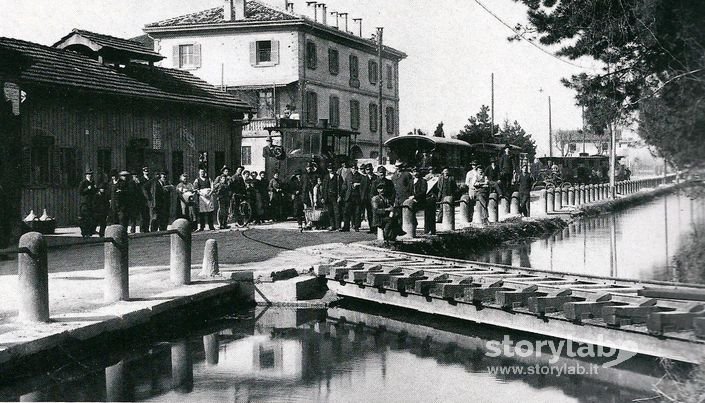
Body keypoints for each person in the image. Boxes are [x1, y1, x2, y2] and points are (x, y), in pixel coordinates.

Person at [410, 166, 433, 234]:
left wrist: (415, 197)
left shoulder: (423, 181)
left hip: (421, 200)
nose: (415, 173)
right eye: (414, 172)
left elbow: (423, 191)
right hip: (412, 200)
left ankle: (427, 229)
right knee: (409, 210)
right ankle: (413, 224)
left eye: (416, 172)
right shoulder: (411, 181)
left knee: (427, 212)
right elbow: (409, 190)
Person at [343, 164, 363, 231]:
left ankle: (356, 226)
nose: (354, 170)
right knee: (346, 212)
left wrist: (358, 184)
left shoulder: (360, 176)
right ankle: (346, 227)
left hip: (357, 197)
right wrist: (344, 191)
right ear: (351, 169)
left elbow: (363, 184)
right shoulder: (348, 175)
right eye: (353, 168)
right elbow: (345, 184)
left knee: (357, 212)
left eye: (355, 168)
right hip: (349, 196)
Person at [78, 169, 98, 237]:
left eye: (91, 174)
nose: (90, 176)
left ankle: (90, 232)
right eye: (89, 174)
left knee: (91, 218)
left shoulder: (93, 182)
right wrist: (87, 189)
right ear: (86, 175)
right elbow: (80, 192)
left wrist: (95, 189)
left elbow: (94, 192)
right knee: (85, 218)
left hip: (92, 203)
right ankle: (84, 232)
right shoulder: (83, 182)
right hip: (85, 203)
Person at [136, 167, 153, 233]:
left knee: (148, 215)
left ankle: (147, 228)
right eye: (145, 171)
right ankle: (142, 229)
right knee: (143, 215)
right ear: (143, 172)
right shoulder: (141, 179)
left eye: (148, 171)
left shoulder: (151, 179)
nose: (147, 172)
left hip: (150, 198)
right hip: (142, 199)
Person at [360, 164, 375, 233]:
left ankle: (376, 227)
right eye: (367, 169)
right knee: (369, 214)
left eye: (370, 169)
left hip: (374, 199)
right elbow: (362, 189)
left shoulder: (376, 177)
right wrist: (362, 198)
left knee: (375, 213)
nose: (368, 171)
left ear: (372, 169)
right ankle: (371, 228)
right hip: (367, 199)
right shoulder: (363, 179)